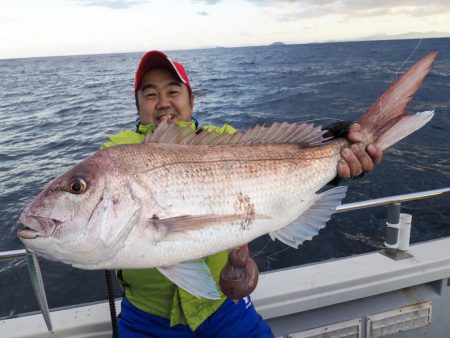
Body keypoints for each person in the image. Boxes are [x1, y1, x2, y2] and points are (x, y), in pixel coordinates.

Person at [101, 50, 383, 337]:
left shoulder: (224, 139)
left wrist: (334, 146)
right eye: (150, 95)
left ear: (191, 99)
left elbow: (273, 163)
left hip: (224, 309)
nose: (163, 103)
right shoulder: (113, 157)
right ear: (137, 105)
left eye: (173, 91)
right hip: (145, 319)